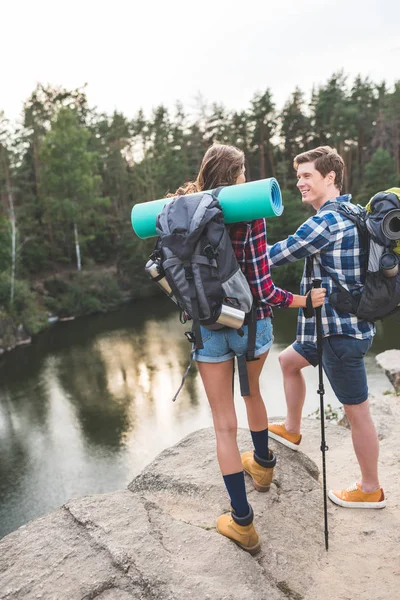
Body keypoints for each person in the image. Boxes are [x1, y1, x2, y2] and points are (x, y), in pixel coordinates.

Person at [171, 143, 326, 554]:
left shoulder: (182, 209)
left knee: (224, 424)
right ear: (237, 176)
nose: (245, 181)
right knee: (252, 391)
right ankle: (262, 466)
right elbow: (263, 289)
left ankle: (242, 524)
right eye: (242, 174)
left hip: (209, 328)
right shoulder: (250, 212)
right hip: (253, 322)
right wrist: (301, 301)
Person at [267, 146, 386, 509]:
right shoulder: (354, 210)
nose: (299, 182)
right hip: (328, 328)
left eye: (307, 175)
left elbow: (277, 255)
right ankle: (292, 427)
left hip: (339, 334)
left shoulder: (327, 221)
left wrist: (237, 251)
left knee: (357, 411)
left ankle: (371, 489)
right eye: (298, 175)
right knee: (288, 362)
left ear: (330, 177)